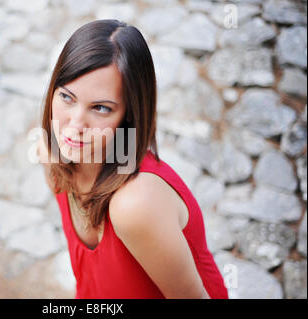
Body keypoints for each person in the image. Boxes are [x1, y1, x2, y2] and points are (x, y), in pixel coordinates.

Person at [36, 19, 229, 299]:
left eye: (100, 108)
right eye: (67, 97)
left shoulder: (135, 203)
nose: (75, 125)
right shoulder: (52, 154)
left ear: (128, 116)